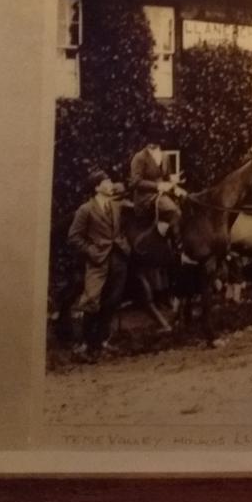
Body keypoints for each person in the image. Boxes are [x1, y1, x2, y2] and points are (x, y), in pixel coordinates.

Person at [67, 169, 131, 359]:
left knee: (112, 301)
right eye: (106, 181)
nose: (111, 183)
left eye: (110, 180)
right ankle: (84, 345)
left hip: (118, 258)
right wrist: (91, 250)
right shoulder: (85, 209)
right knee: (91, 301)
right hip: (97, 261)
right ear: (97, 187)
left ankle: (102, 342)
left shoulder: (117, 205)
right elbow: (74, 237)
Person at [129, 135, 182, 244]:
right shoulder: (139, 157)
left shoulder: (164, 156)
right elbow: (136, 182)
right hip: (146, 197)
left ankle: (167, 236)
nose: (153, 145)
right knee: (174, 211)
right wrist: (158, 186)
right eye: (151, 143)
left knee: (186, 202)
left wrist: (175, 187)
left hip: (164, 194)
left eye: (156, 143)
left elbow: (168, 177)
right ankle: (179, 246)